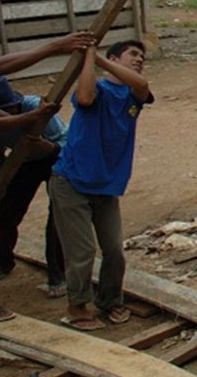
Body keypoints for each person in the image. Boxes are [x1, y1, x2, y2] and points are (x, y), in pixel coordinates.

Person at [49, 39, 152, 331]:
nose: (139, 59)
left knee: (114, 250)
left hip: (106, 184)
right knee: (81, 252)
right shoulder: (97, 89)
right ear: (114, 57)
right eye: (132, 54)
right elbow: (84, 98)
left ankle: (110, 301)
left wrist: (97, 57)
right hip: (72, 181)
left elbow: (143, 86)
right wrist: (90, 61)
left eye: (142, 56)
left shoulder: (133, 95)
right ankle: (77, 307)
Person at [0, 80, 61, 323]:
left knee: (58, 217)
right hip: (23, 161)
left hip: (56, 158)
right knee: (5, 216)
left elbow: (66, 142)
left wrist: (45, 144)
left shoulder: (35, 106)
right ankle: (0, 265)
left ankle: (58, 276)